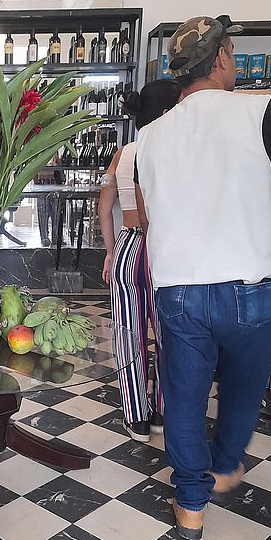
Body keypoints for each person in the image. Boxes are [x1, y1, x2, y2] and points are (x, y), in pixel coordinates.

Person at [134, 15, 271, 540]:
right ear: (222, 57)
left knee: (185, 396)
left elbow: (149, 216)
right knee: (243, 391)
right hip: (255, 285)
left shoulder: (149, 138)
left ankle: (191, 505)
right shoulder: (265, 110)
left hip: (179, 287)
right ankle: (224, 468)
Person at [98, 80, 181, 443]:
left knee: (128, 334)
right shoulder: (175, 149)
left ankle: (136, 418)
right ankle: (162, 410)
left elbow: (103, 208)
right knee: (167, 334)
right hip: (163, 248)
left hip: (127, 247)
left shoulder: (124, 152)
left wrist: (110, 250)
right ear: (166, 112)